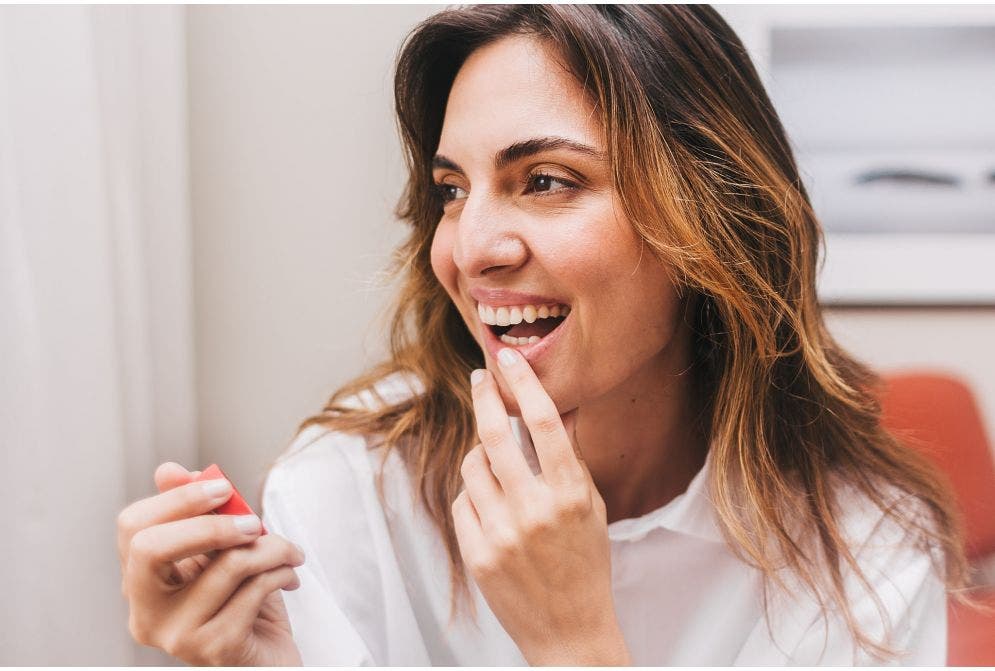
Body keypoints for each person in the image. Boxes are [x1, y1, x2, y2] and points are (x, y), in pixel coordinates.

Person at [116, 5, 969, 666]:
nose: (472, 248)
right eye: (453, 190)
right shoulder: (347, 497)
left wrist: (575, 644)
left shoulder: (865, 545)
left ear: (710, 223)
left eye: (547, 180)